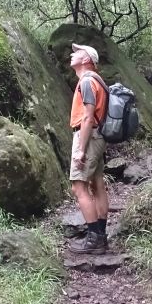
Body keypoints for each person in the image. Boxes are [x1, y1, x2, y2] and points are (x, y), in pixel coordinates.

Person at [66, 42, 109, 254]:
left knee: (78, 186)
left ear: (86, 60)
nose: (72, 55)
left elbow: (87, 117)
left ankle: (94, 240)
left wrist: (80, 149)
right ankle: (101, 234)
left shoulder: (86, 81)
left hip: (88, 136)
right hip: (98, 136)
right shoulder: (98, 81)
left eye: (77, 53)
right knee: (97, 184)